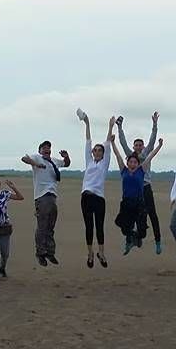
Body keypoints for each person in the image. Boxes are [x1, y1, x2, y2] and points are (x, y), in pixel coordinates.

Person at [111, 133, 164, 255]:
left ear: (138, 163)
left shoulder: (141, 170)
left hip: (140, 200)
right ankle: (130, 239)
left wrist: (159, 146)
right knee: (123, 225)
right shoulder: (124, 171)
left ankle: (151, 241)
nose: (133, 164)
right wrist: (113, 142)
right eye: (131, 162)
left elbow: (151, 155)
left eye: (135, 162)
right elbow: (118, 155)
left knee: (144, 227)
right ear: (128, 162)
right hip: (126, 203)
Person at [21, 140, 70, 266]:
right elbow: (24, 158)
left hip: (52, 196)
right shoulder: (37, 157)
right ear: (40, 150)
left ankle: (50, 252)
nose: (47, 149)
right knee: (42, 226)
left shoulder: (54, 160)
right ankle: (40, 253)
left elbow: (66, 164)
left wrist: (66, 157)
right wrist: (36, 164)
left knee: (50, 226)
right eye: (44, 148)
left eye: (48, 148)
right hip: (41, 196)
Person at [78, 109, 112, 268]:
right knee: (89, 226)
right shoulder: (89, 161)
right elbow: (88, 140)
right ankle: (90, 253)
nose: (97, 151)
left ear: (103, 154)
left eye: (100, 151)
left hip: (99, 198)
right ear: (92, 153)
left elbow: (107, 143)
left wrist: (110, 127)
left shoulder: (104, 164)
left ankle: (102, 253)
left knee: (99, 226)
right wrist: (87, 122)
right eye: (95, 150)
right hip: (86, 197)